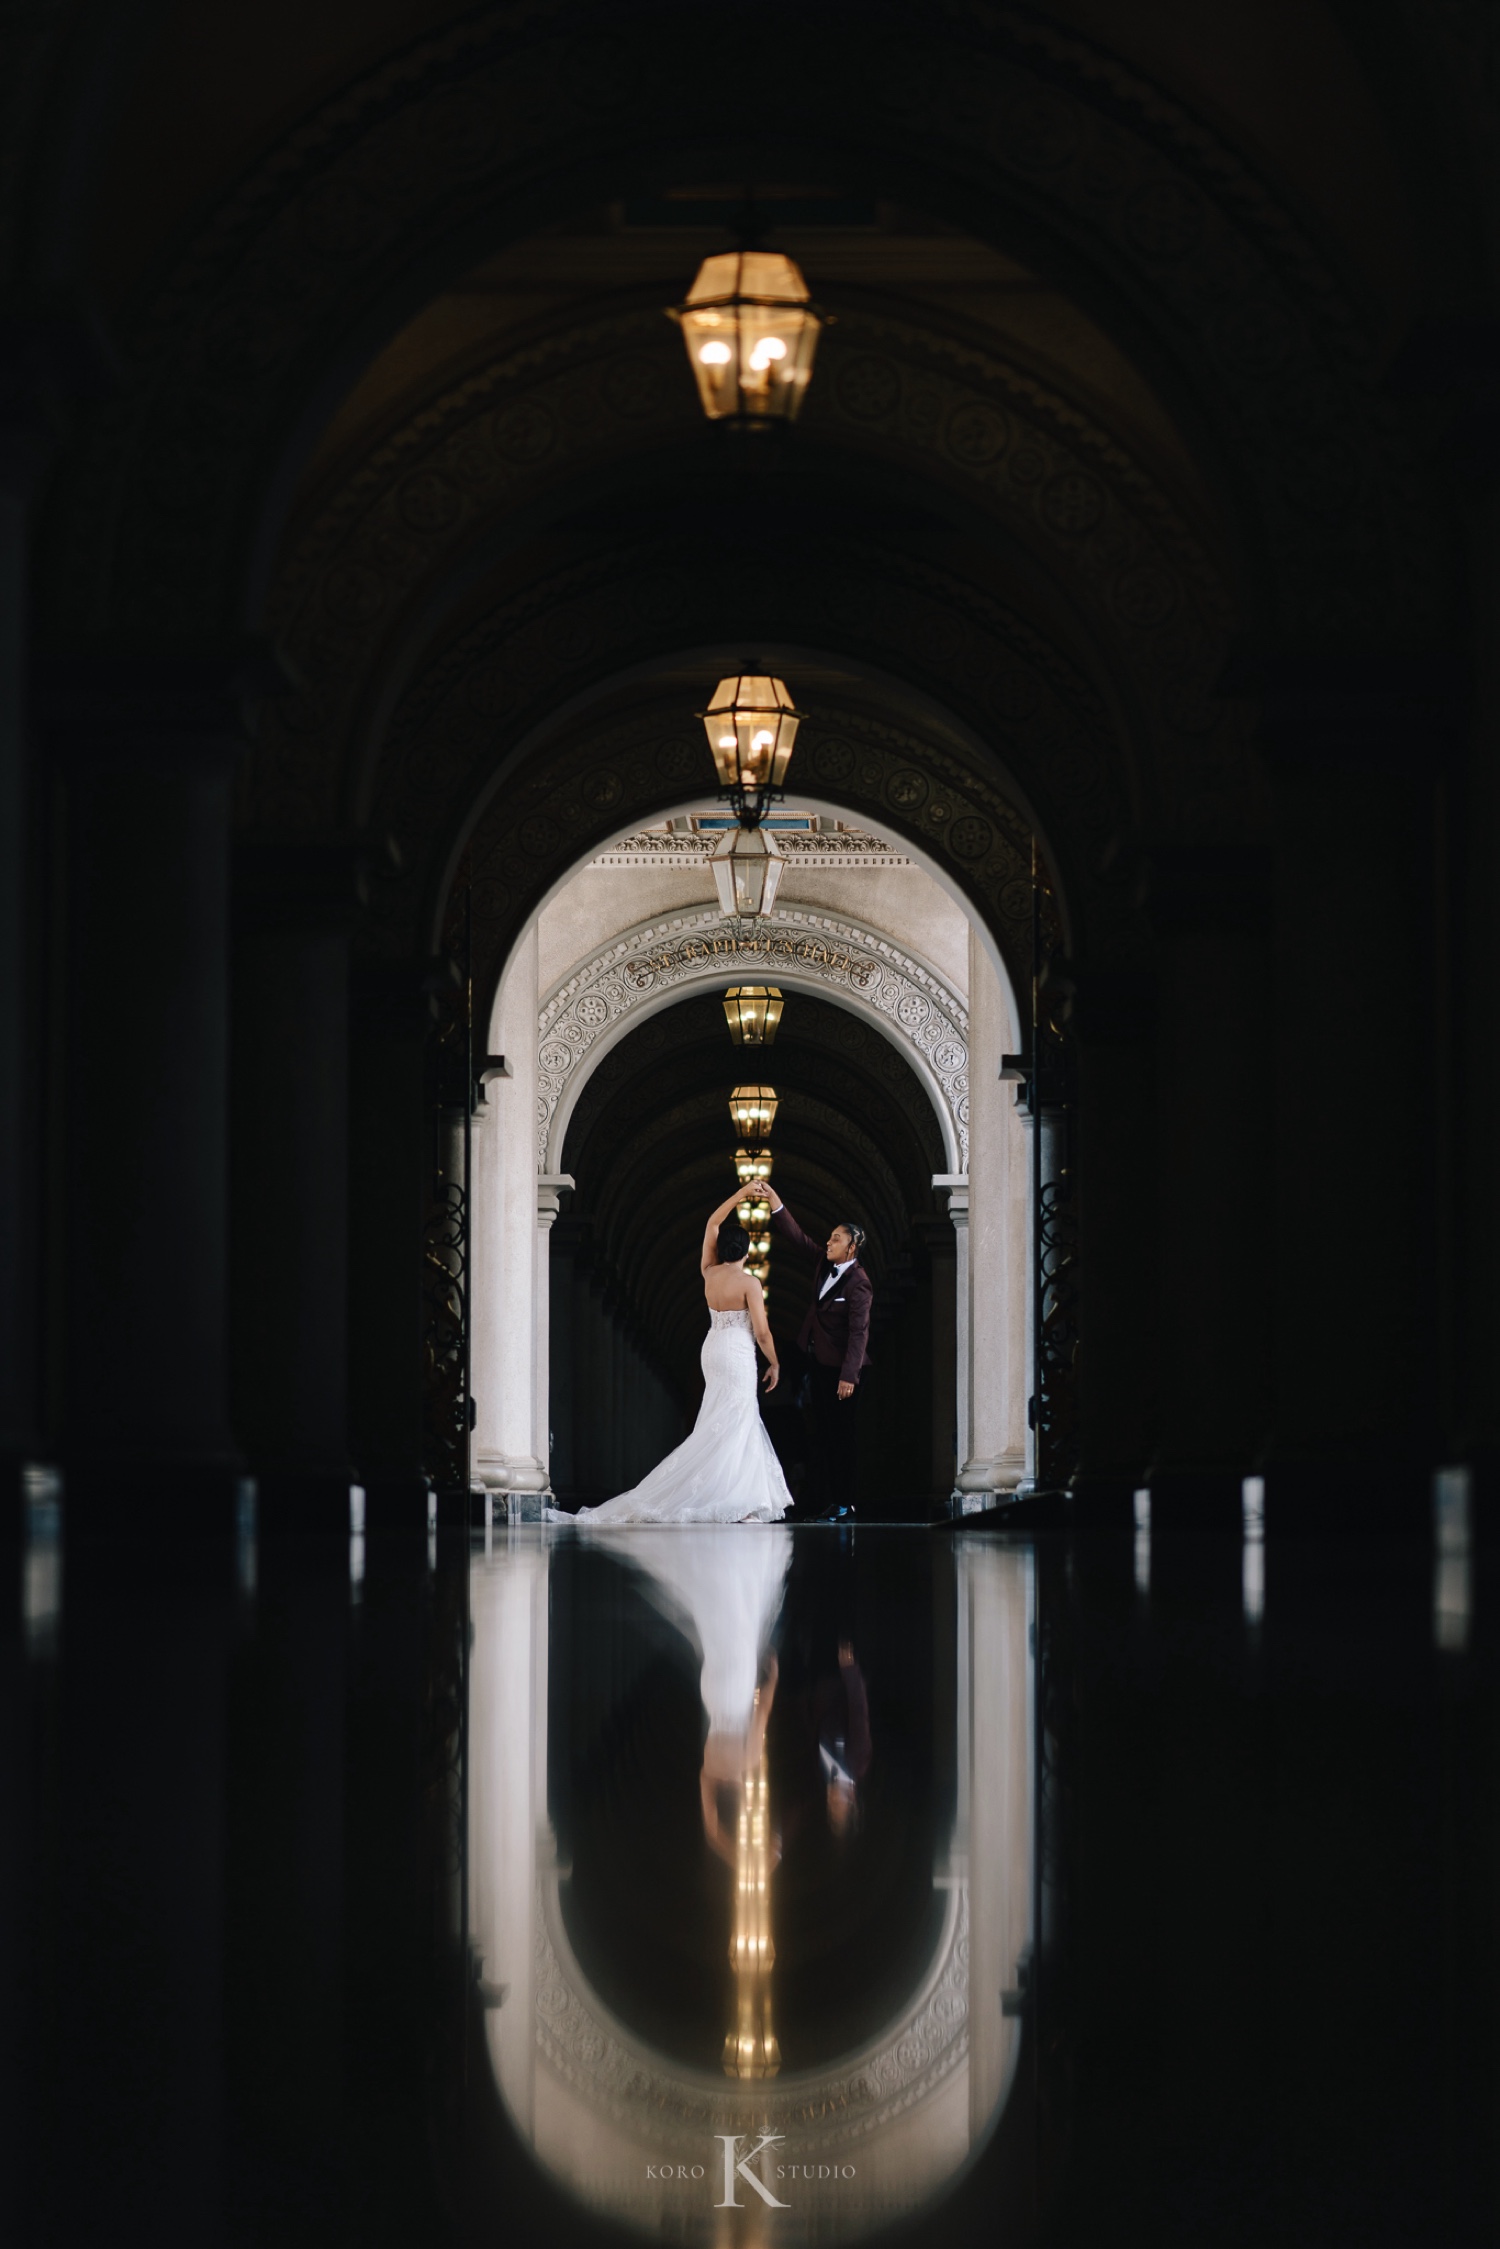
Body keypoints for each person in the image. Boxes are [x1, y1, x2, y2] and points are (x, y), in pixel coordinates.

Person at [555, 1188, 792, 1524]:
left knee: (717, 1419)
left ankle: (732, 1494)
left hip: (712, 1348)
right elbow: (763, 1332)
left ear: (722, 1248)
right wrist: (775, 1362)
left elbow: (712, 1222)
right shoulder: (749, 1283)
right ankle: (738, 1498)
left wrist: (740, 1194)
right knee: (737, 1417)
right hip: (738, 1351)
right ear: (748, 1250)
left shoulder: (709, 1272)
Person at [765, 1188, 872, 1520]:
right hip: (817, 1363)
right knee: (823, 1436)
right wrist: (775, 1202)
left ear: (852, 1247)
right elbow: (798, 1237)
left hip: (841, 1372)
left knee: (842, 1438)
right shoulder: (822, 1264)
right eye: (830, 1237)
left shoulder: (859, 1283)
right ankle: (832, 1500)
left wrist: (848, 1376)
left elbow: (859, 1333)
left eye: (836, 1239)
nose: (829, 1242)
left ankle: (847, 1502)